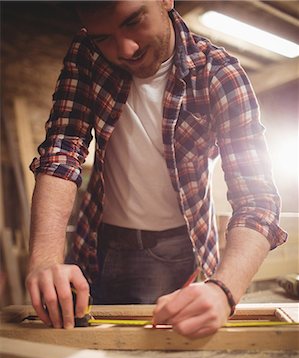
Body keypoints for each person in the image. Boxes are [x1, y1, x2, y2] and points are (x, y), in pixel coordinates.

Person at [26, 0, 287, 338]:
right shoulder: (87, 53)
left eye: (134, 22)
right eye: (104, 37)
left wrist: (223, 290)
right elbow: (61, 152)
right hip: (99, 242)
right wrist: (45, 259)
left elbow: (257, 200)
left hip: (178, 248)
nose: (125, 49)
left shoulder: (220, 74)